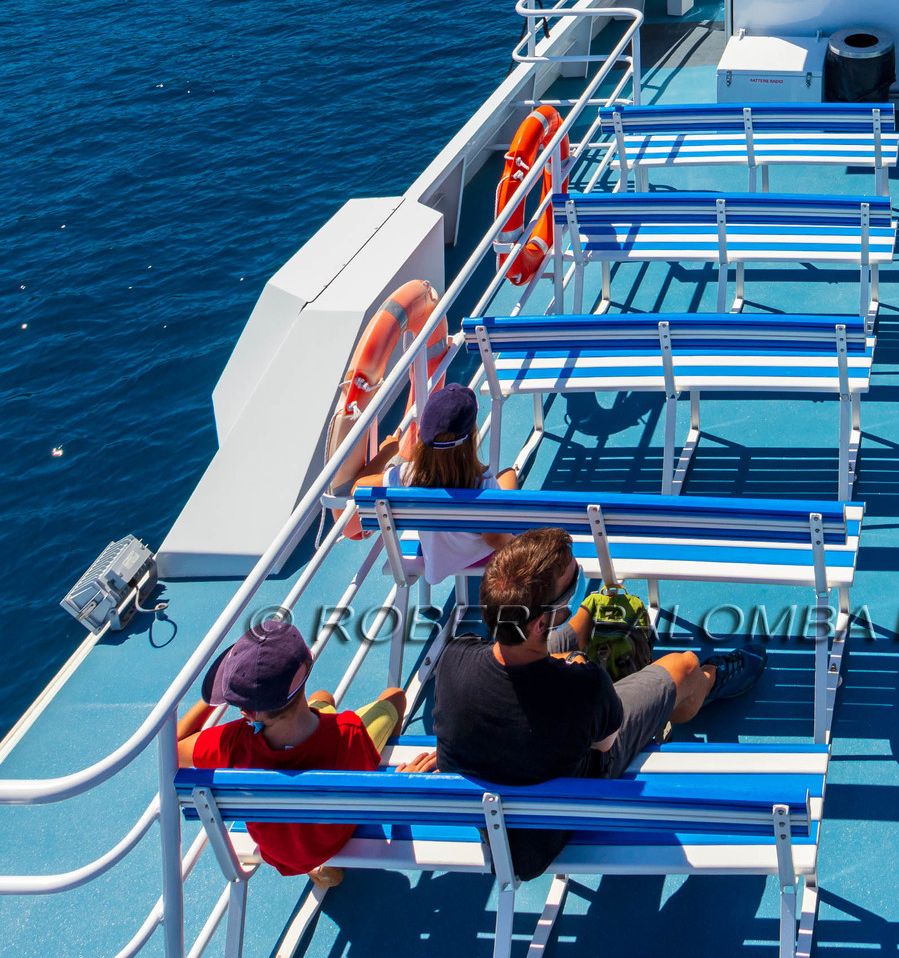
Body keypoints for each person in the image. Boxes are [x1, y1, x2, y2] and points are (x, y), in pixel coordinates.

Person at [425, 529, 766, 879]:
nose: (574, 586)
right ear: (541, 620)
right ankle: (708, 681)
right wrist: (575, 666)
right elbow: (604, 742)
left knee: (564, 636)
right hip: (559, 812)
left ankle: (591, 610)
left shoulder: (454, 660)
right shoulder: (582, 686)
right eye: (572, 588)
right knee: (684, 667)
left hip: (498, 819)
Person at [175, 618, 427, 890]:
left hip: (282, 852)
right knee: (395, 696)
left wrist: (220, 694)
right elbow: (368, 783)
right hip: (337, 834)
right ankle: (328, 859)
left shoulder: (234, 742)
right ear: (306, 667)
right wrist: (402, 782)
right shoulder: (348, 732)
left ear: (247, 711)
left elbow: (176, 748)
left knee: (324, 698)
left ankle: (321, 865)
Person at [357, 380, 533, 594]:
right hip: (478, 557)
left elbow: (358, 487)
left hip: (437, 559)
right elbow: (494, 538)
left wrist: (387, 452)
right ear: (473, 436)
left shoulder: (406, 475)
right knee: (508, 474)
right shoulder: (482, 481)